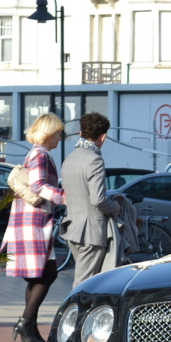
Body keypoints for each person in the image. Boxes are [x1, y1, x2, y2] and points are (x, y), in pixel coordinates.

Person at [1, 113, 65, 342]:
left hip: (29, 220)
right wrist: (64, 197)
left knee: (38, 274)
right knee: (47, 274)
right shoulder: (40, 154)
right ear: (49, 134)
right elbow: (38, 185)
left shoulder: (37, 152)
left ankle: (30, 327)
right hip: (34, 221)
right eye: (58, 132)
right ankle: (26, 322)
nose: (61, 137)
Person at [62, 112, 119, 285]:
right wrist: (116, 207)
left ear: (81, 133)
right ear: (103, 136)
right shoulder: (94, 160)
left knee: (84, 280)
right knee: (84, 284)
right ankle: (75, 312)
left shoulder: (70, 159)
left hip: (73, 228)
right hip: (91, 232)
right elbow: (98, 199)